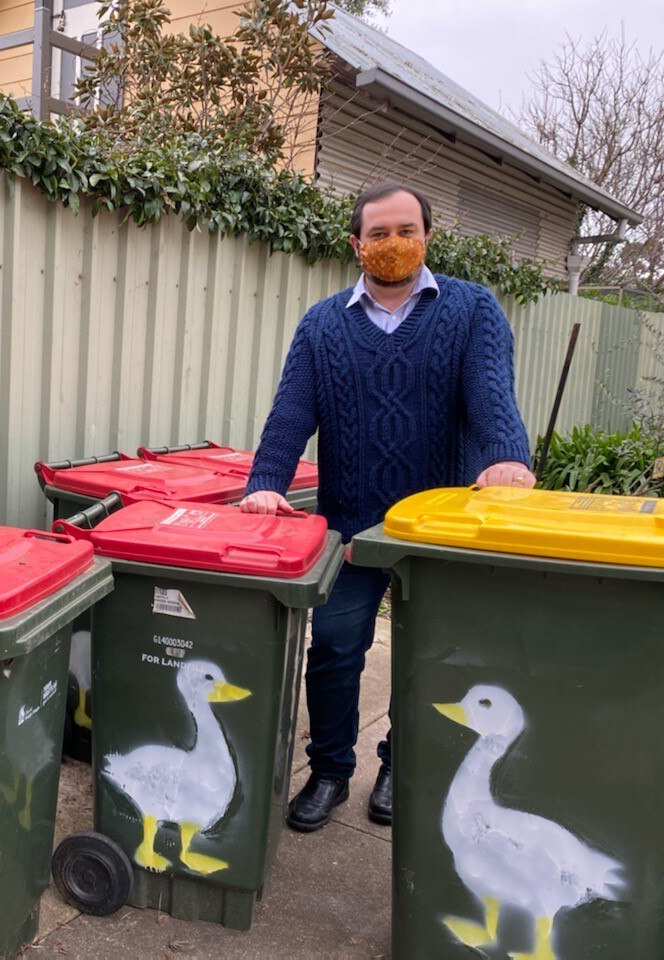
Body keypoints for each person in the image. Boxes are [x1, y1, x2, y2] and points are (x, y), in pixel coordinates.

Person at [241, 182, 533, 832]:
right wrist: (266, 481)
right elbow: (292, 414)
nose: (393, 244)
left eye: (406, 230)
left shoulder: (471, 309)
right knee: (337, 646)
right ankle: (330, 771)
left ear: (427, 236)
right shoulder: (322, 324)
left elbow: (492, 398)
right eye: (379, 233)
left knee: (430, 653)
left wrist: (507, 456)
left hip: (438, 531)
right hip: (353, 526)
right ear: (356, 244)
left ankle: (404, 764)